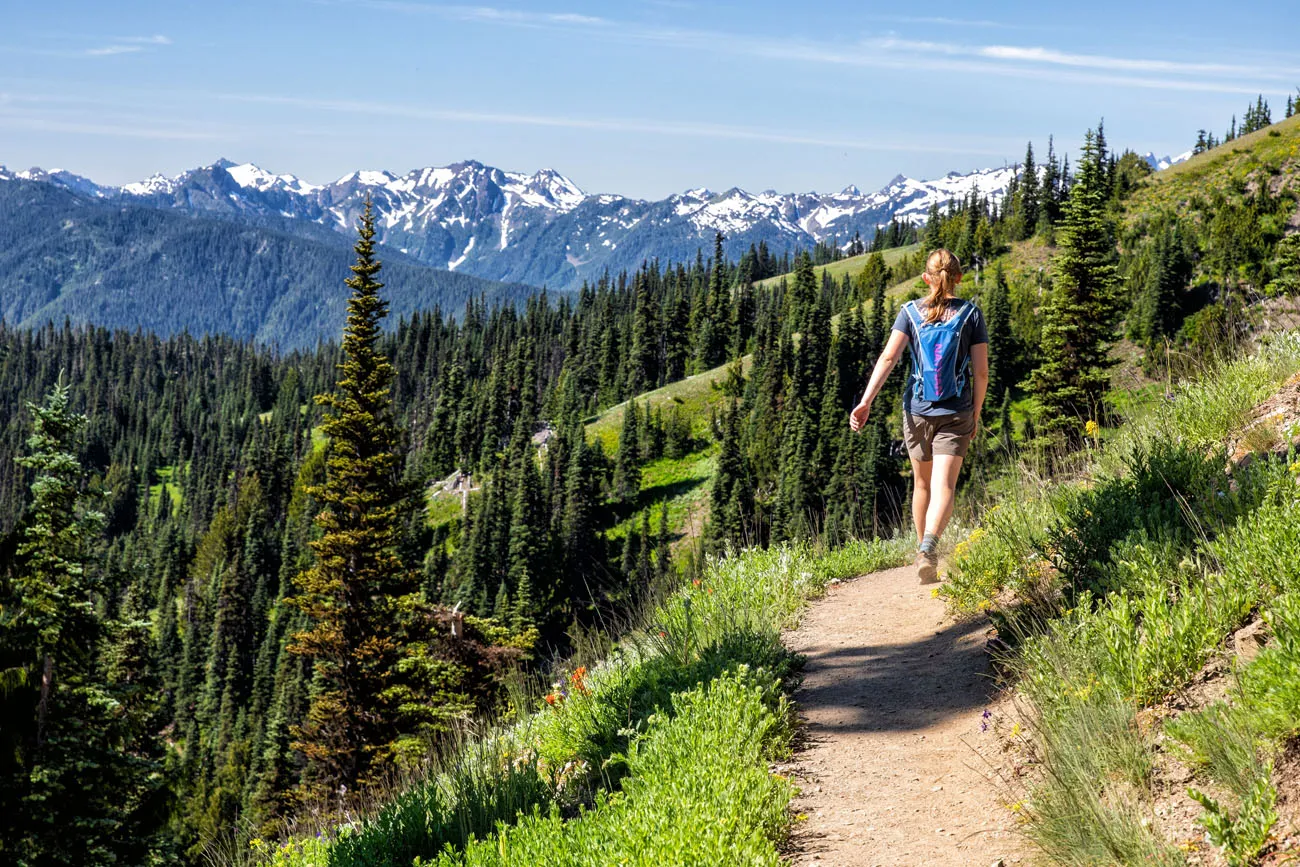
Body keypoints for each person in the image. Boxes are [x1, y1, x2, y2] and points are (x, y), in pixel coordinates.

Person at [848, 249, 989, 584]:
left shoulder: (910, 312)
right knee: (945, 485)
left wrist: (865, 401)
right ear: (959, 277)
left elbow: (888, 358)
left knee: (922, 483)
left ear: (926, 277)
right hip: (956, 410)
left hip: (917, 411)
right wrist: (976, 412)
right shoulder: (971, 314)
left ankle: (922, 551)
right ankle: (929, 546)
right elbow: (981, 373)